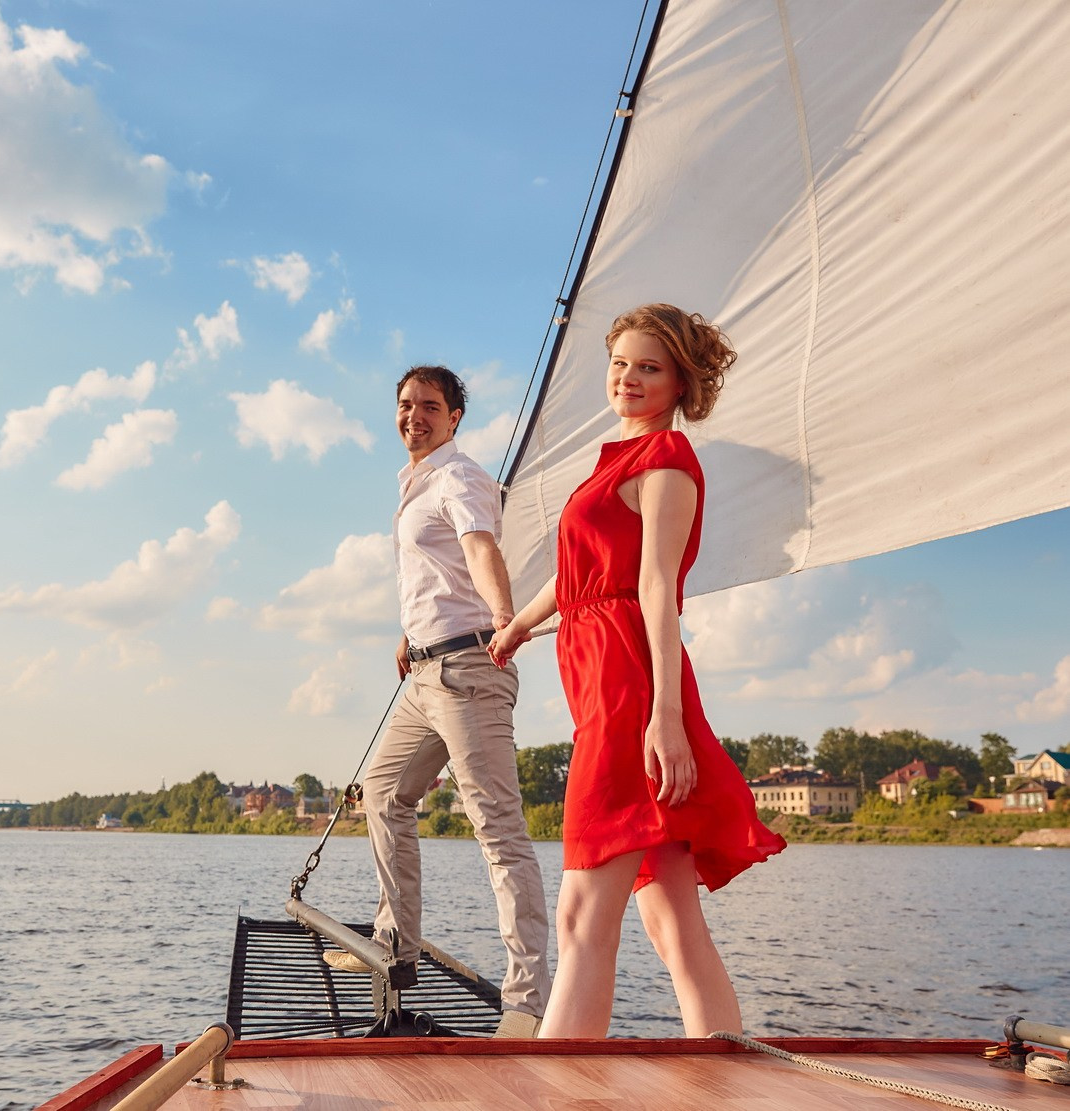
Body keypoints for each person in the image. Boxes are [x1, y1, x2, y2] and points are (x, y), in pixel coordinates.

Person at [489, 304, 786, 1038]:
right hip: (598, 675)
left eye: (647, 367)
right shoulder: (615, 459)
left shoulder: (665, 463)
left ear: (680, 381)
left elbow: (655, 587)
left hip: (629, 684)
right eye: (619, 362)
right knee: (670, 918)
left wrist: (664, 717)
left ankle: (554, 1085)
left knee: (581, 914)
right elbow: (579, 571)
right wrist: (520, 624)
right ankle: (719, 1074)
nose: (626, 377)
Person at [333, 365, 550, 1037]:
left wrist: (505, 616)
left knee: (497, 830)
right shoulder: (417, 482)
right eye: (405, 404)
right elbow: (436, 572)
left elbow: (478, 547)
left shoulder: (459, 477)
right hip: (426, 671)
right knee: (381, 791)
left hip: (469, 671)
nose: (414, 415)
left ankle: (527, 1001)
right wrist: (411, 632)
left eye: (429, 406)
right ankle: (395, 944)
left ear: (454, 417)